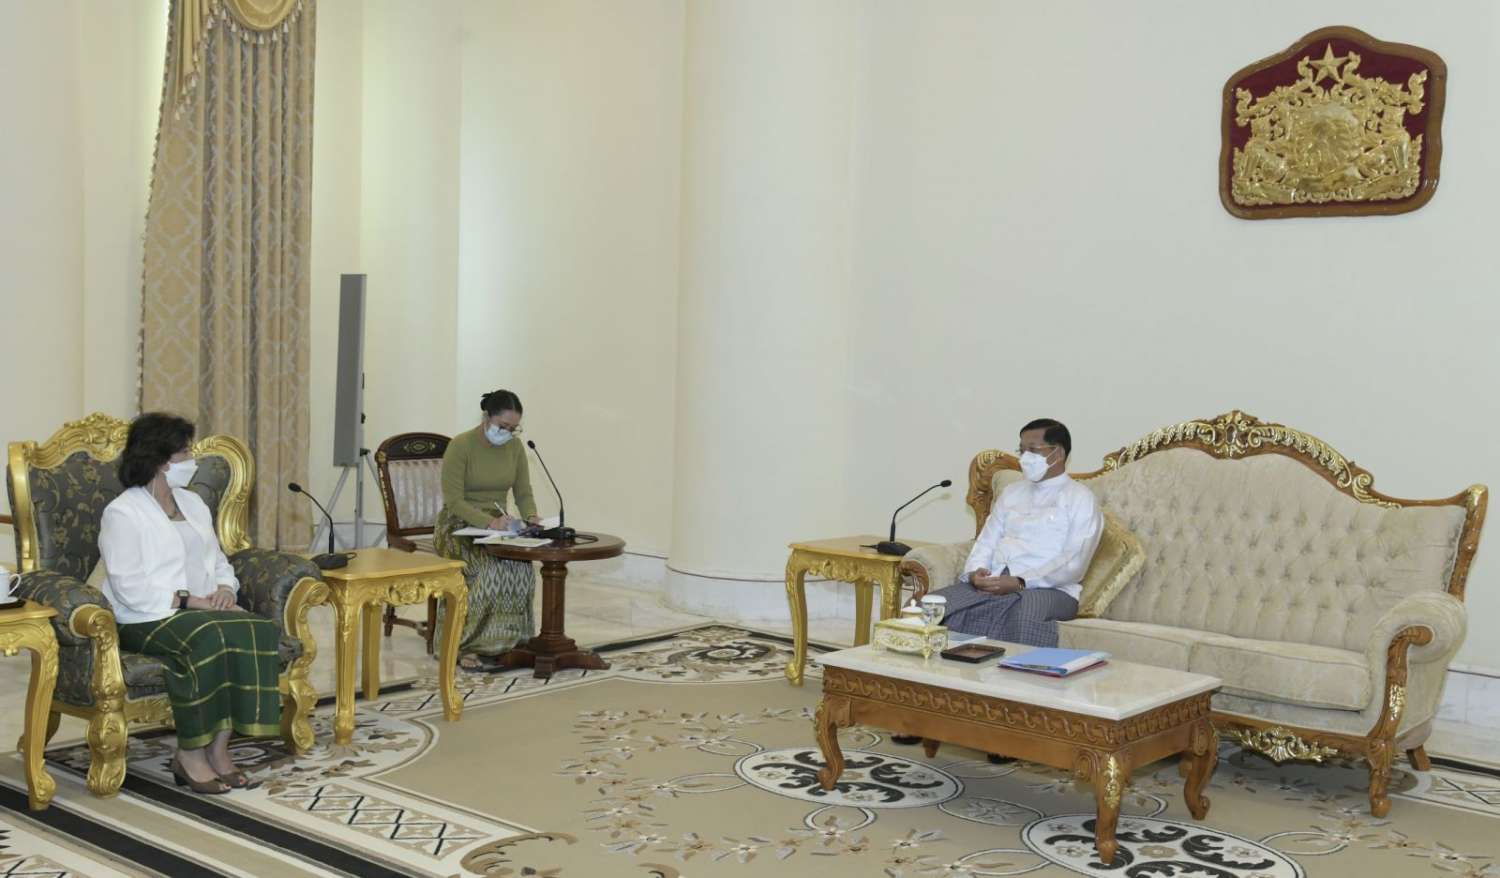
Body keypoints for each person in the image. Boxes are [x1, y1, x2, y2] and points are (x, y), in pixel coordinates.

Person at [98, 413, 281, 795]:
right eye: (185, 452)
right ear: (160, 460)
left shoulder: (193, 503)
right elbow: (129, 587)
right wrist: (190, 601)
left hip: (202, 610)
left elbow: (217, 560)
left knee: (256, 628)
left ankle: (219, 749)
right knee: (211, 635)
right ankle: (190, 752)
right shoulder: (123, 513)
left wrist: (225, 588)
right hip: (145, 616)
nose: (193, 459)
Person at [931, 418, 1103, 648]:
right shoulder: (1012, 492)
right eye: (1022, 450)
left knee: (1024, 613)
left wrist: (1021, 582)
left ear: (1058, 453)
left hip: (1052, 590)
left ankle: (1020, 670)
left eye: (1033, 450)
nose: (1024, 458)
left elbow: (1074, 562)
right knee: (932, 606)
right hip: (995, 580)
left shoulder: (1080, 499)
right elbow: (987, 541)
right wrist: (975, 573)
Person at [434, 389, 542, 670]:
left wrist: (531, 516)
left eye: (513, 428)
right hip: (457, 526)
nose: (507, 433)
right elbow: (454, 500)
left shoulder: (515, 448)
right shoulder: (461, 445)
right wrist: (488, 522)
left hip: (499, 525)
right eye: (503, 426)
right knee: (490, 569)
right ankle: (464, 644)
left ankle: (508, 642)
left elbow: (523, 492)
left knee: (520, 567)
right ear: (486, 417)